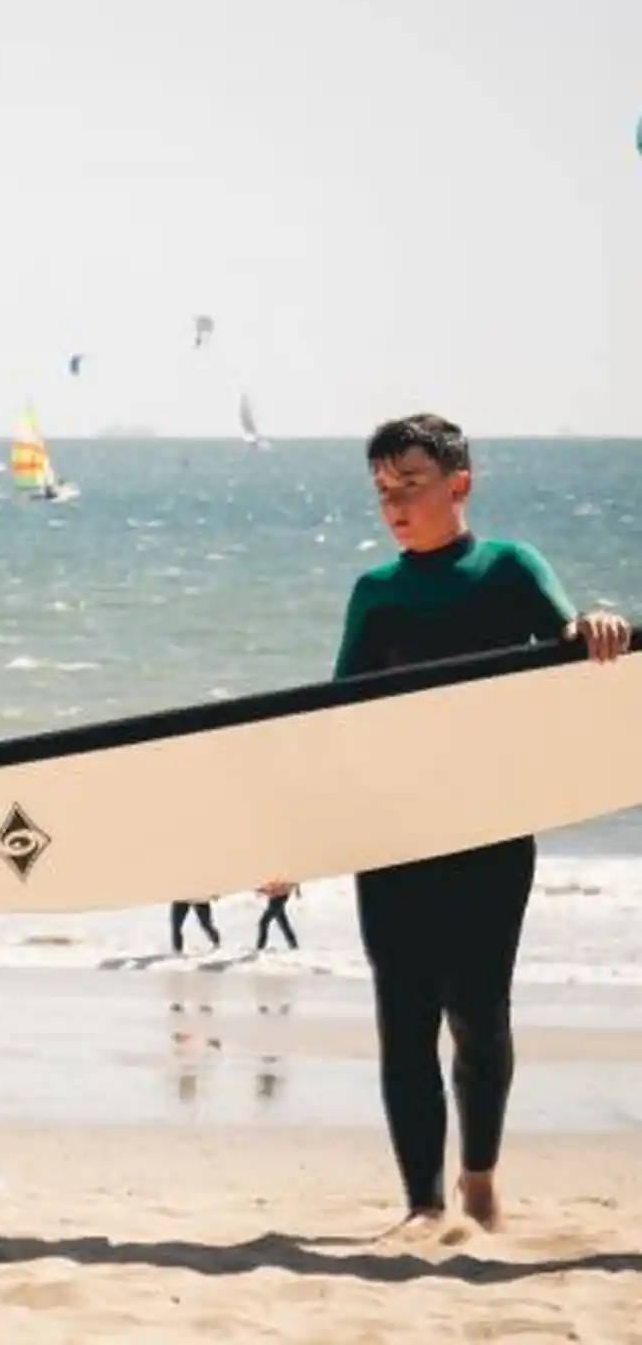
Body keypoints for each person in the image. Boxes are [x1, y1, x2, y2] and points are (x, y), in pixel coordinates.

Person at [332, 413, 629, 1232]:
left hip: (489, 833)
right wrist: (296, 835)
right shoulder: (377, 593)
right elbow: (333, 721)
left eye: (411, 485)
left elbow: (570, 643)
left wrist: (597, 625)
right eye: (383, 491)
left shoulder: (507, 569)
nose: (394, 505)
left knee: (478, 1018)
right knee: (404, 1023)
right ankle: (424, 1205)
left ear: (459, 484)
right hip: (391, 834)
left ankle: (479, 1176)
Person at [256, 883, 299, 950]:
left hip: (276, 903)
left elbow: (275, 892)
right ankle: (294, 945)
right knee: (284, 925)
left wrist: (263, 891)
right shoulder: (285, 887)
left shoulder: (282, 887)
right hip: (278, 902)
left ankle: (260, 946)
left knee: (263, 923)